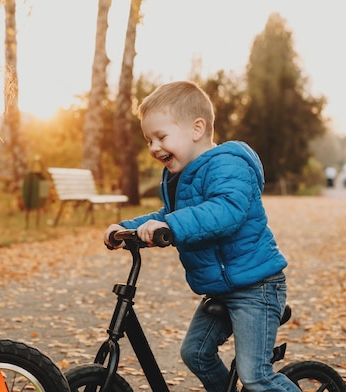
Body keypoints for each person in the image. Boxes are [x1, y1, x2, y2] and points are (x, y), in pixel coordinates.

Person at [104, 81, 299, 392]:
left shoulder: (228, 165)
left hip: (256, 287)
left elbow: (225, 211)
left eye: (161, 137)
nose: (154, 147)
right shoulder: (179, 178)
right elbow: (164, 217)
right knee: (195, 354)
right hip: (221, 288)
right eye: (148, 140)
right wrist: (125, 227)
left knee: (255, 375)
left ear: (197, 129)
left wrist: (173, 227)